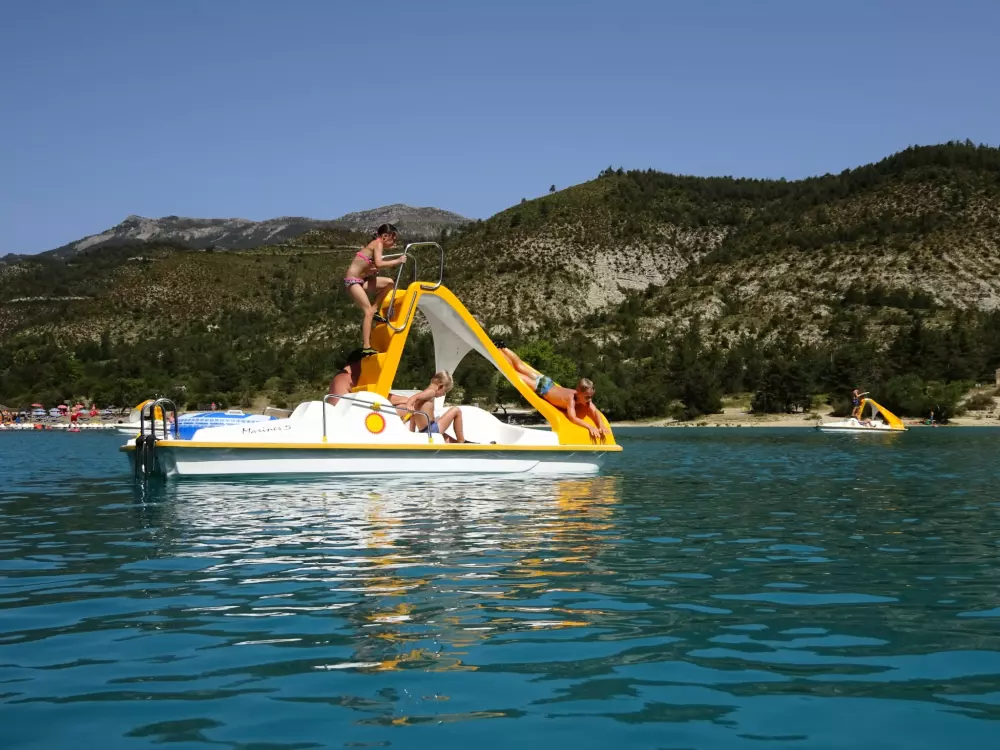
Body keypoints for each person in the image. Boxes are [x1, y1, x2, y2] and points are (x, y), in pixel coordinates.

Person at [495, 344, 608, 441]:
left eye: (590, 397)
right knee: (514, 373)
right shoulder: (571, 399)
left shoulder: (585, 399)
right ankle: (499, 351)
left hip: (548, 382)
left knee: (521, 366)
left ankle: (503, 348)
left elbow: (596, 412)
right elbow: (573, 418)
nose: (589, 400)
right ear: (579, 393)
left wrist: (601, 425)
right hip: (542, 388)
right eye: (587, 397)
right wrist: (590, 427)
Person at [344, 223, 408, 357]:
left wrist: (370, 271)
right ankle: (366, 347)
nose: (394, 242)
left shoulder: (374, 245)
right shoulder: (377, 243)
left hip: (360, 281)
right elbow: (379, 263)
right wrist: (398, 261)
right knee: (368, 312)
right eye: (393, 239)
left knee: (389, 283)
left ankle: (376, 308)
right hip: (352, 281)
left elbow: (366, 266)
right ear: (385, 236)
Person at [398, 371, 470, 443]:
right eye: (445, 391)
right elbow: (414, 397)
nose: (444, 395)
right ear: (441, 386)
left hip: (425, 431)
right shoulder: (431, 392)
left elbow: (414, 415)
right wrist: (408, 406)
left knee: (451, 441)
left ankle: (459, 445)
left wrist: (412, 434)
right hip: (432, 429)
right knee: (456, 410)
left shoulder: (423, 397)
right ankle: (461, 440)